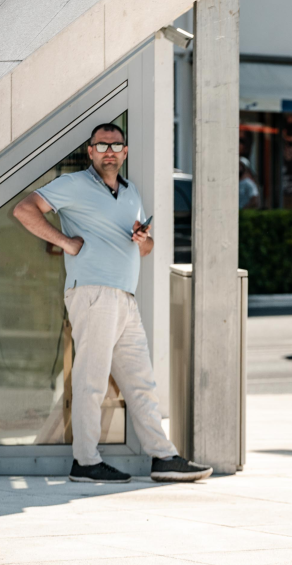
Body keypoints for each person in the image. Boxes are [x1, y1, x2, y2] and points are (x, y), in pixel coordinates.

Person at [12, 123, 213, 484]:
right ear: (90, 152)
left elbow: (147, 249)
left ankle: (162, 457)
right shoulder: (72, 185)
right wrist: (66, 242)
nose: (109, 151)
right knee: (91, 380)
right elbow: (24, 210)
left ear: (125, 152)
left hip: (124, 297)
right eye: (101, 145)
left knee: (141, 382)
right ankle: (85, 462)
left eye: (116, 145)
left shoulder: (131, 192)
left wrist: (142, 240)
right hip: (92, 293)